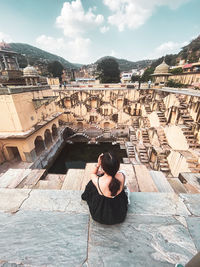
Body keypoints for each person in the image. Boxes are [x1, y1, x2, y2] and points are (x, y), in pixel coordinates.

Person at [81, 152, 128, 225]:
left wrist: (98, 164)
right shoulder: (122, 175)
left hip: (101, 215)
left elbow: (93, 174)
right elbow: (114, 175)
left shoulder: (98, 181)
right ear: (118, 166)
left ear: (103, 167)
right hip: (119, 213)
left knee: (91, 184)